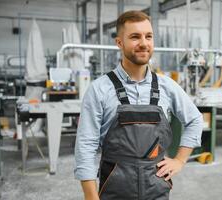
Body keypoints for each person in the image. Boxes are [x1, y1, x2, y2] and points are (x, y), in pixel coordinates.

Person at [74, 10, 203, 200]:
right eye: (135, 37)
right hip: (114, 189)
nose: (143, 43)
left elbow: (195, 120)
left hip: (156, 189)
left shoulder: (167, 86)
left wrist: (179, 160)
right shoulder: (100, 89)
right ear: (119, 42)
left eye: (148, 36)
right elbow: (85, 146)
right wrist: (91, 197)